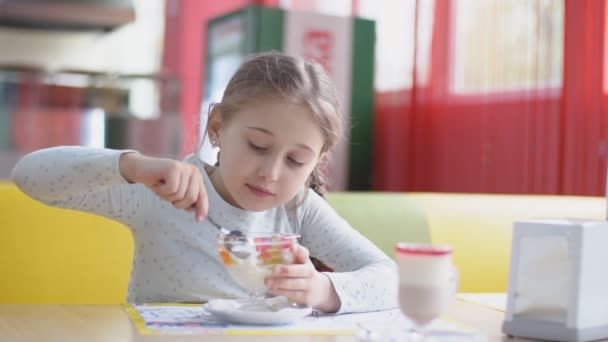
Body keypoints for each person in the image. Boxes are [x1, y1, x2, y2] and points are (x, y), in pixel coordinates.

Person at [11, 51, 398, 314]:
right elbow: (30, 177)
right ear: (217, 128)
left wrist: (321, 290)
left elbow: (389, 277)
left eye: (296, 161)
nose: (272, 173)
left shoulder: (297, 208)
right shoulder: (166, 191)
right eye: (258, 146)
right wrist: (131, 166)